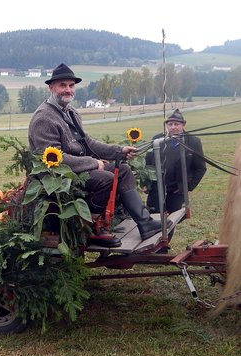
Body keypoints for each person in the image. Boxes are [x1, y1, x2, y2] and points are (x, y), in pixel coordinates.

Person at [28, 63, 164, 241]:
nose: (68, 90)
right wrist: (93, 163)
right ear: (51, 87)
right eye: (62, 85)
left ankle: (145, 223)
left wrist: (119, 150)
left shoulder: (71, 112)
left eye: (71, 85)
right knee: (106, 180)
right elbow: (54, 159)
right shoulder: (44, 118)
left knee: (123, 170)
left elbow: (88, 142)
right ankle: (90, 228)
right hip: (59, 177)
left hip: (80, 169)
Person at [144, 109, 206, 214]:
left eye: (176, 124)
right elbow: (147, 162)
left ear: (183, 125)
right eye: (170, 124)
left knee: (172, 219)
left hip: (177, 190)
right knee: (153, 217)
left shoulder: (193, 141)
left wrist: (188, 187)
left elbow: (201, 168)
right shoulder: (157, 140)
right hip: (156, 188)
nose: (173, 127)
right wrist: (146, 183)